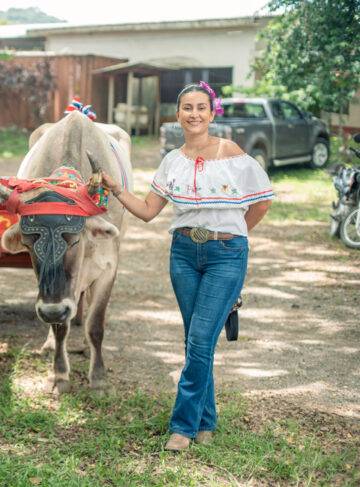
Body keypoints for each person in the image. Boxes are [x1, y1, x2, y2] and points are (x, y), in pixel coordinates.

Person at [99, 82, 273, 451]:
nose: (194, 114)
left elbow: (260, 203)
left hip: (226, 256)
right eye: (187, 108)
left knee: (198, 341)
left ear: (212, 113)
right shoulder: (172, 161)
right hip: (182, 254)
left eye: (201, 107)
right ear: (177, 114)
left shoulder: (232, 153)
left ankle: (183, 427)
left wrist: (232, 237)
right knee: (197, 341)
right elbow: (148, 211)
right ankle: (206, 422)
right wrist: (116, 188)